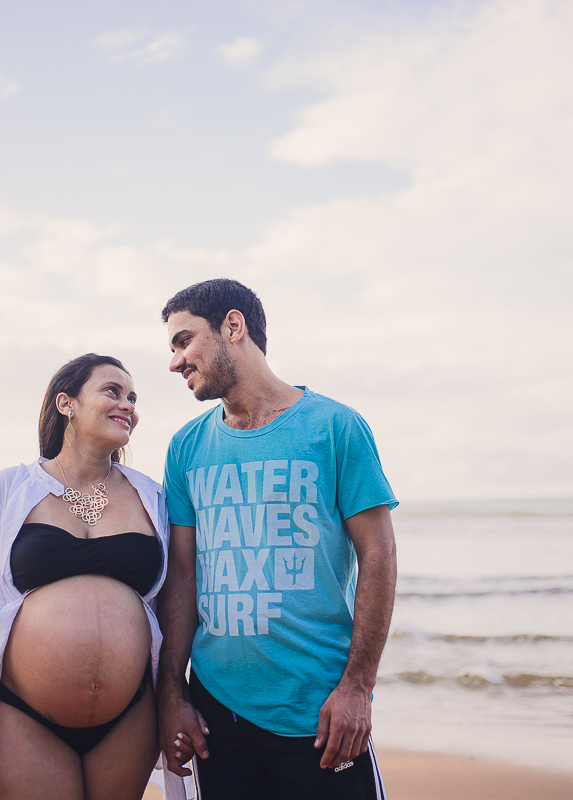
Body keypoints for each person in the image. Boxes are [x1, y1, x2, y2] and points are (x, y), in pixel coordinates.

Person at [156, 279, 398, 800]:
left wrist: (358, 687)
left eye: (183, 341)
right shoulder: (186, 447)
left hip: (317, 713)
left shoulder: (336, 428)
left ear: (233, 327)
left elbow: (377, 555)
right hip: (217, 713)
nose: (175, 362)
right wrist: (171, 693)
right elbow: (182, 575)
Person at [0, 353, 188, 800]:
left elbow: (174, 607)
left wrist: (176, 699)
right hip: (22, 714)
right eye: (112, 391)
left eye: (133, 397)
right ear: (66, 403)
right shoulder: (9, 490)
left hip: (129, 718)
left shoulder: (152, 496)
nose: (128, 404)